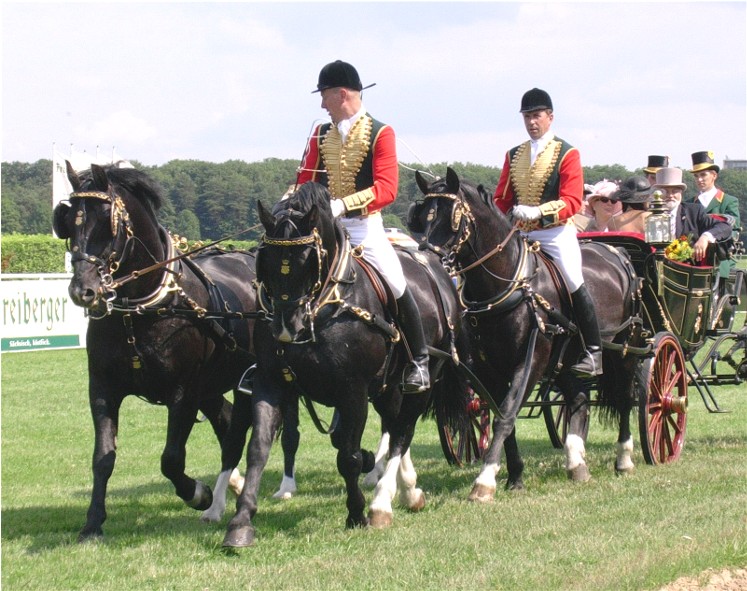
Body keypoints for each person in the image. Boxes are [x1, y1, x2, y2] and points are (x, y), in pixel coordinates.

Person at [295, 60, 429, 393]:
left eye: (324, 96)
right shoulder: (320, 133)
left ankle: (420, 361)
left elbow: (387, 188)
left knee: (396, 283)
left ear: (341, 94)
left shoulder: (381, 133)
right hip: (323, 232)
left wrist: (343, 204)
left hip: (362, 228)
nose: (321, 104)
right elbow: (305, 180)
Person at [494, 88, 602, 376]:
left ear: (550, 118)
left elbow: (572, 201)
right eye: (527, 116)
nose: (532, 122)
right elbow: (501, 198)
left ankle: (593, 350)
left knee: (572, 277)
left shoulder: (567, 152)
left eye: (537, 116)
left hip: (554, 234)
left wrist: (539, 211)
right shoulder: (513, 154)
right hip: (520, 235)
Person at [652, 167, 733, 263]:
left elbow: (725, 227)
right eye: (665, 191)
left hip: (687, 270)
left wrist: (705, 237)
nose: (670, 195)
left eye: (674, 191)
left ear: (681, 192)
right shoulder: (649, 215)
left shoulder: (693, 212)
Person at [689, 151, 741, 281]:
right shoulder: (690, 203)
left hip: (720, 260)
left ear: (714, 175)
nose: (699, 179)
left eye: (703, 175)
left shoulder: (728, 201)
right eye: (696, 176)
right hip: (692, 261)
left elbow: (734, 228)